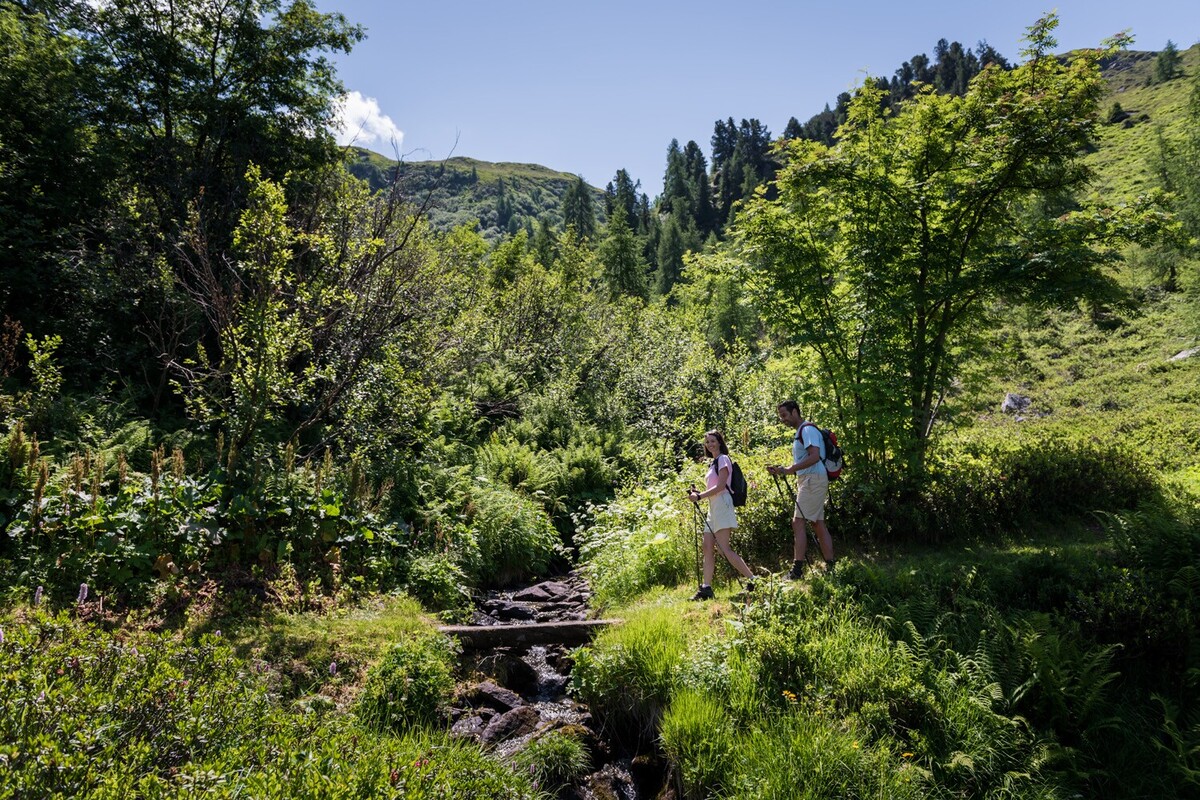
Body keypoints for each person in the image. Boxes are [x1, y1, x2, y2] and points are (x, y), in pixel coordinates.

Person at [767, 400, 835, 578]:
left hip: (813, 479)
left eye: (784, 415)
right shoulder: (802, 431)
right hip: (811, 479)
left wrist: (790, 469)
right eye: (780, 416)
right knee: (817, 523)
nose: (783, 419)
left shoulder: (807, 430)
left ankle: (797, 571)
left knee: (798, 522)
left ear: (795, 412)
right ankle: (831, 567)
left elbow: (814, 456)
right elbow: (807, 459)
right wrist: (782, 470)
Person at [687, 430, 755, 600]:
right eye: (707, 442)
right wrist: (699, 493)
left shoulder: (723, 459)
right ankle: (706, 588)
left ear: (719, 442)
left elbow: (721, 486)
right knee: (707, 547)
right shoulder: (713, 463)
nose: (710, 444)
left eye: (713, 441)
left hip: (723, 504)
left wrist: (700, 496)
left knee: (725, 549)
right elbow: (714, 487)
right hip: (713, 506)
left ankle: (753, 581)